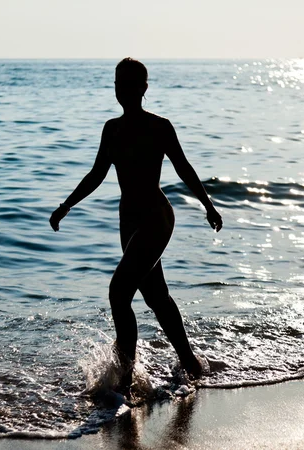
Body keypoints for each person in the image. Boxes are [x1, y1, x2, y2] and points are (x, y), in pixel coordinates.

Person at [50, 57, 223, 391]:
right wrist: (66, 206)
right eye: (118, 83)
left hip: (156, 218)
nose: (122, 90)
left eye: (130, 83)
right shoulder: (112, 129)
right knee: (157, 296)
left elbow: (184, 168)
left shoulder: (160, 127)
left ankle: (124, 382)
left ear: (144, 88)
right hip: (127, 220)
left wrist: (208, 204)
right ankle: (191, 364)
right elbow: (97, 174)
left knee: (119, 292)